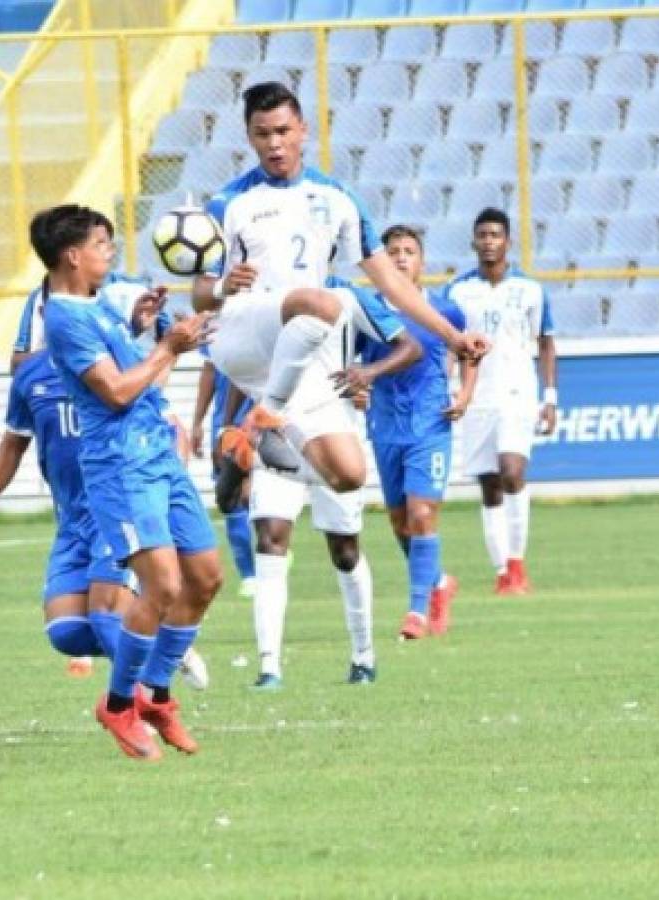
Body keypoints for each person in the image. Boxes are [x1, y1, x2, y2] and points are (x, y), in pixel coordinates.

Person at [190, 81, 487, 492]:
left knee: (348, 476)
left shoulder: (337, 198)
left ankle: (247, 451)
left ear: (302, 130)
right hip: (245, 333)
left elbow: (390, 282)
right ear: (249, 137)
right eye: (263, 134)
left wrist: (454, 338)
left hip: (301, 345)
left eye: (283, 131)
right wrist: (223, 286)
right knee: (324, 302)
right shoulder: (227, 204)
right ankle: (265, 416)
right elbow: (199, 295)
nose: (274, 144)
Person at [37, 204, 222, 761]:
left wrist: (142, 328)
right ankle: (119, 705)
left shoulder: (97, 309)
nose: (110, 252)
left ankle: (159, 695)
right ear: (74, 254)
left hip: (157, 456)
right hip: (120, 468)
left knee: (206, 577)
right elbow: (115, 392)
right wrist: (170, 347)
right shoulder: (63, 318)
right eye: (102, 244)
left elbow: (134, 371)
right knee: (162, 586)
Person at [0, 349, 209, 690]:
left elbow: (168, 425)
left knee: (105, 613)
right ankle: (162, 636)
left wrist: (165, 481)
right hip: (72, 519)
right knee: (67, 632)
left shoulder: (117, 364)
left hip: (116, 504)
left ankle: (140, 706)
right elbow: (13, 443)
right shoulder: (30, 374)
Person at [248, 279, 421, 689]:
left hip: (332, 432)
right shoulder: (263, 292)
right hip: (279, 429)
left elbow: (410, 346)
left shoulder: (345, 294)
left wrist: (368, 373)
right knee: (271, 539)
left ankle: (363, 657)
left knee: (344, 550)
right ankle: (269, 666)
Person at [352, 225, 477, 639]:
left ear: (422, 262)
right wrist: (357, 390)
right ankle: (439, 583)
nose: (402, 257)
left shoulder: (447, 311)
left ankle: (417, 612)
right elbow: (352, 362)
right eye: (393, 252)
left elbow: (469, 351)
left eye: (409, 251)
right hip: (385, 426)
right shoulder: (368, 312)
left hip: (430, 424)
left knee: (423, 515)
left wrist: (465, 393)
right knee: (401, 524)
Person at [444, 208, 557, 596]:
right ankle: (501, 571)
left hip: (517, 393)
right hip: (478, 397)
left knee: (512, 470)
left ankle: (517, 565)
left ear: (508, 241)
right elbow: (447, 343)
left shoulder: (530, 289)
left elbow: (545, 341)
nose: (489, 241)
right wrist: (453, 390)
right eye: (483, 235)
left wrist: (551, 397)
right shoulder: (458, 291)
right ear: (474, 242)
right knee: (490, 486)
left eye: (496, 235)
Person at [190, 349, 257, 597]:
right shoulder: (217, 323)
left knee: (255, 496)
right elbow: (209, 370)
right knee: (231, 498)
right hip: (226, 424)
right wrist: (197, 422)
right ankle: (249, 575)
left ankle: (267, 557)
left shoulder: (264, 315)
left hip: (264, 420)